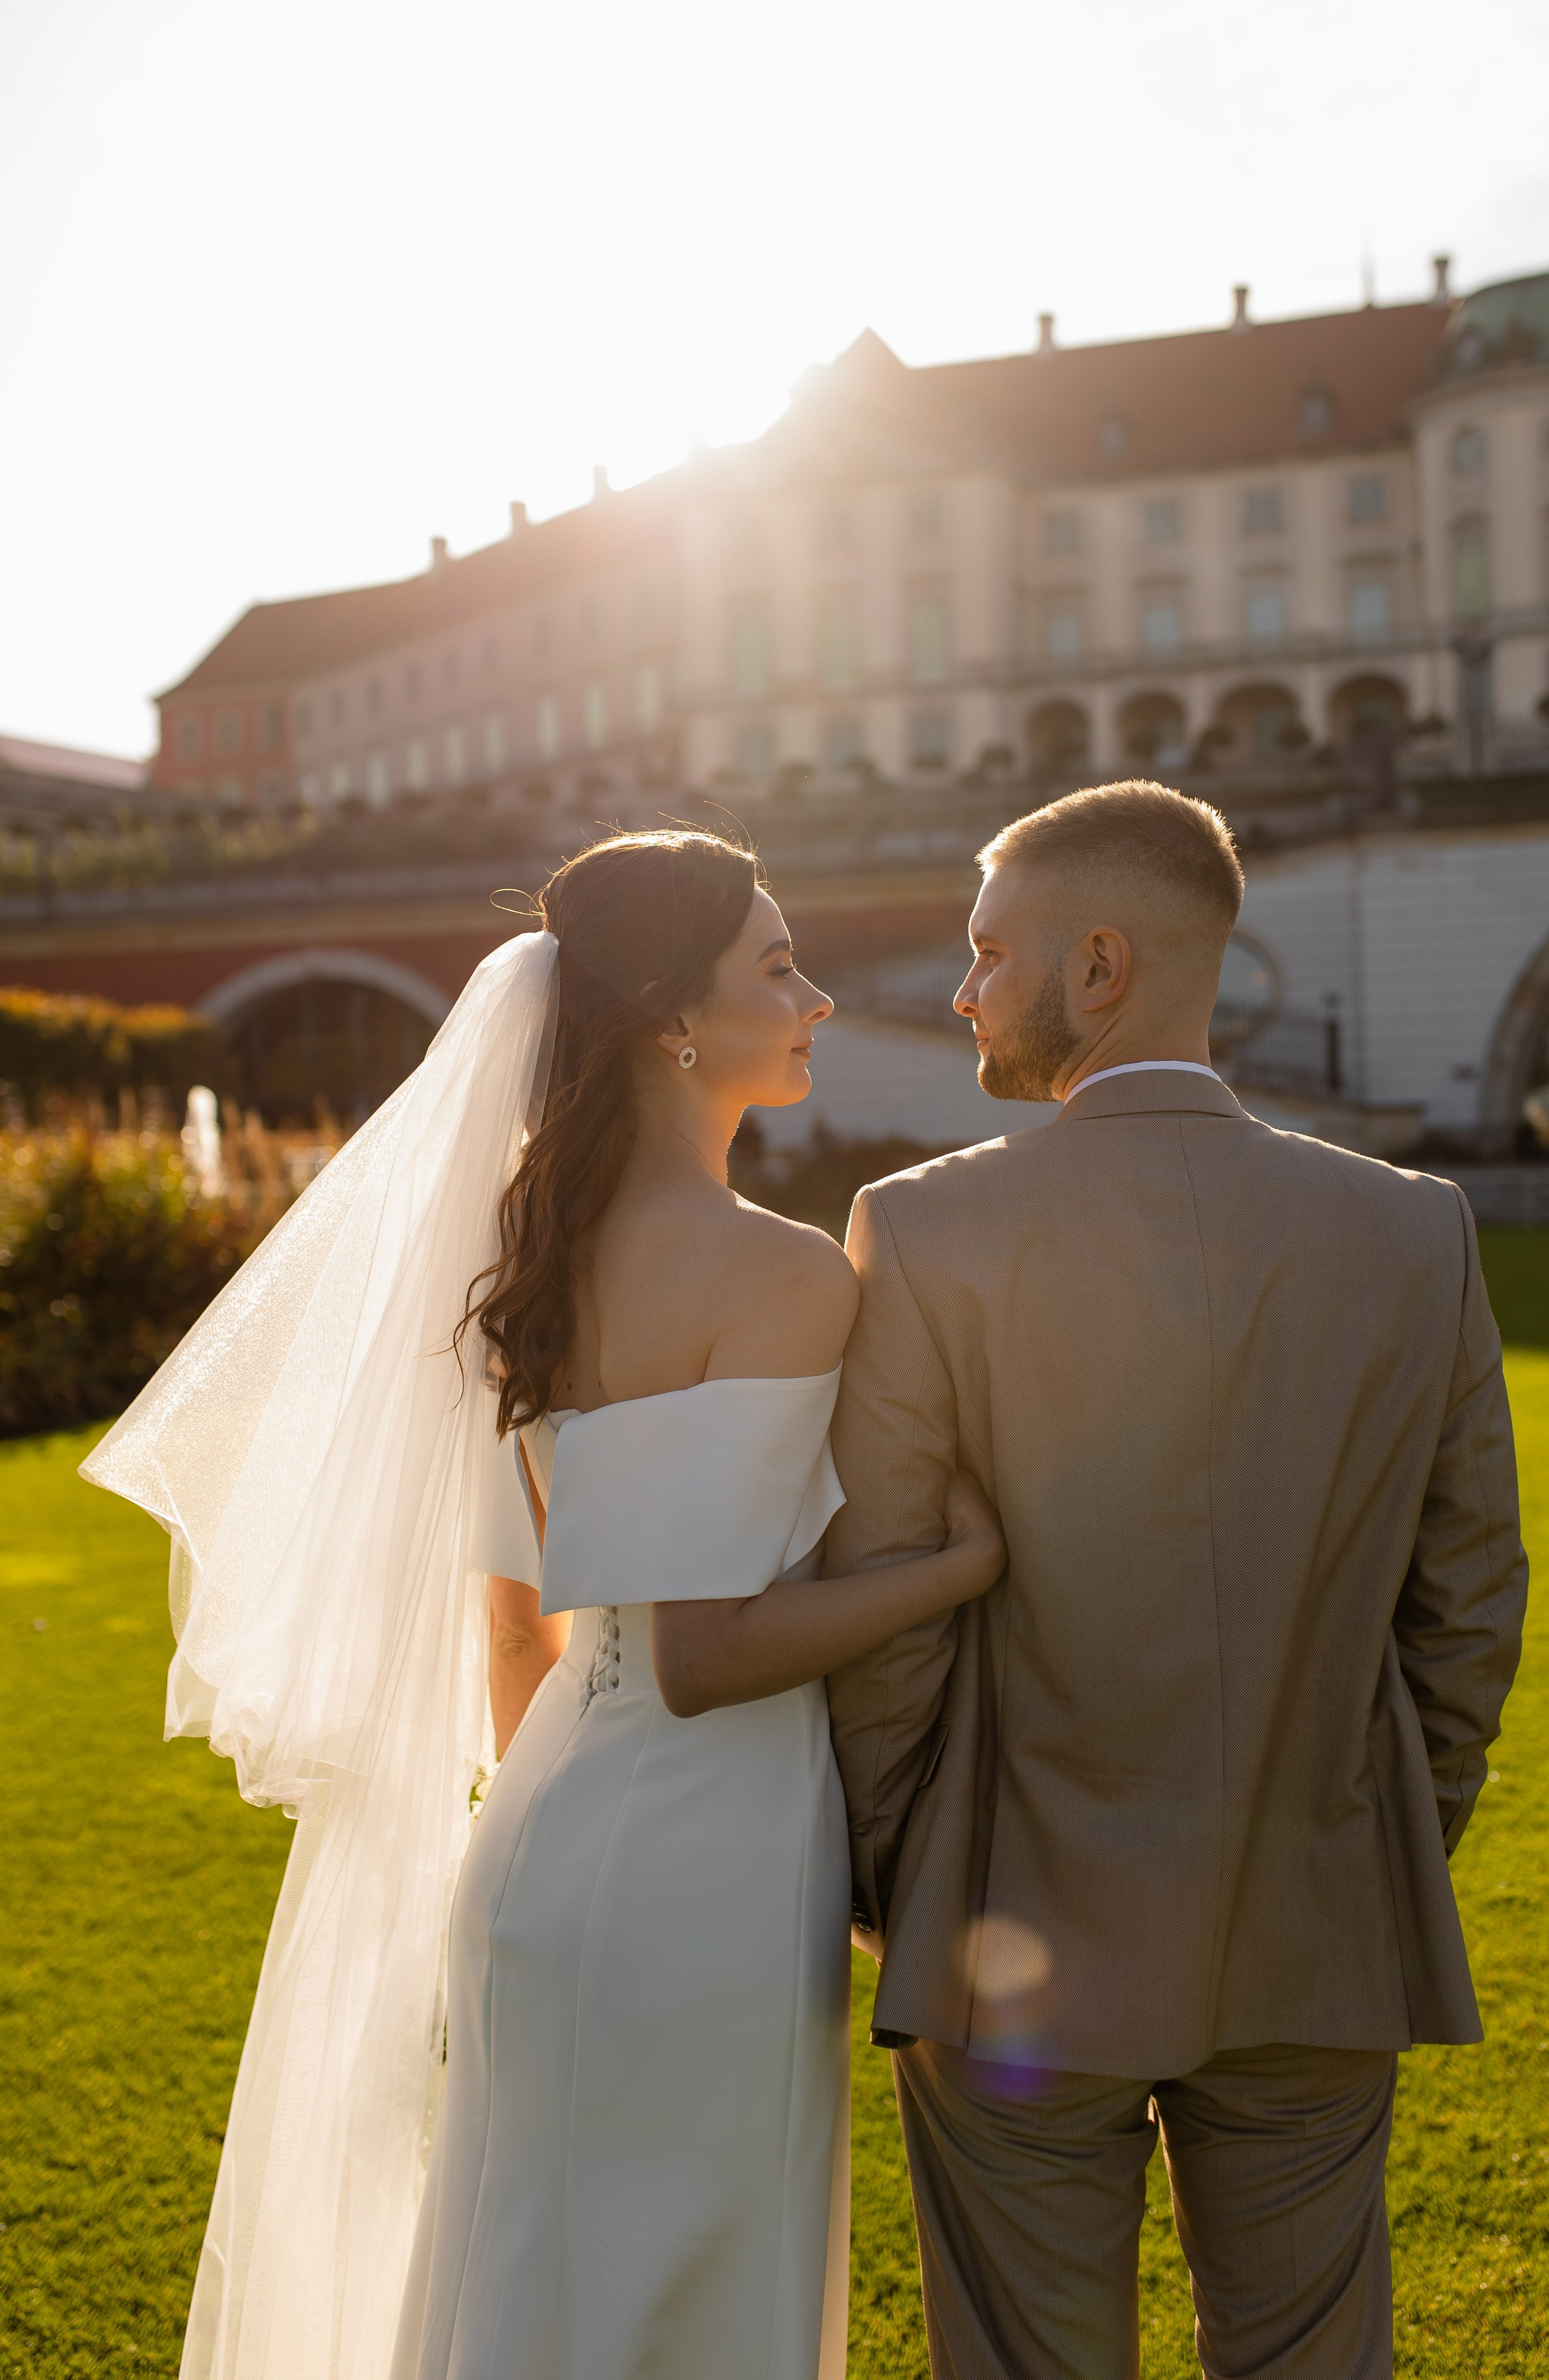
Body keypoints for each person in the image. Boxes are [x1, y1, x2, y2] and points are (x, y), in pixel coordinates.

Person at [83, 829, 1002, 2380]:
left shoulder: (524, 1260)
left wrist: (568, 1839)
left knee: (534, 2281)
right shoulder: (776, 1278)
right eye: (778, 968)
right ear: (672, 1018)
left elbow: (523, 1631)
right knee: (681, 2292)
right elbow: (699, 1656)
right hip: (699, 1858)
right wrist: (955, 1573)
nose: (818, 1000)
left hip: (544, 1833)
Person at [826, 778, 1528, 2380]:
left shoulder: (920, 1231)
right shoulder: (1413, 1230)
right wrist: (1377, 1831)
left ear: (1097, 964)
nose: (961, 990)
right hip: (1319, 1919)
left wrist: (897, 1873)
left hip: (1006, 1931)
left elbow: (887, 1606)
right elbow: (1469, 1600)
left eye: (986, 951)